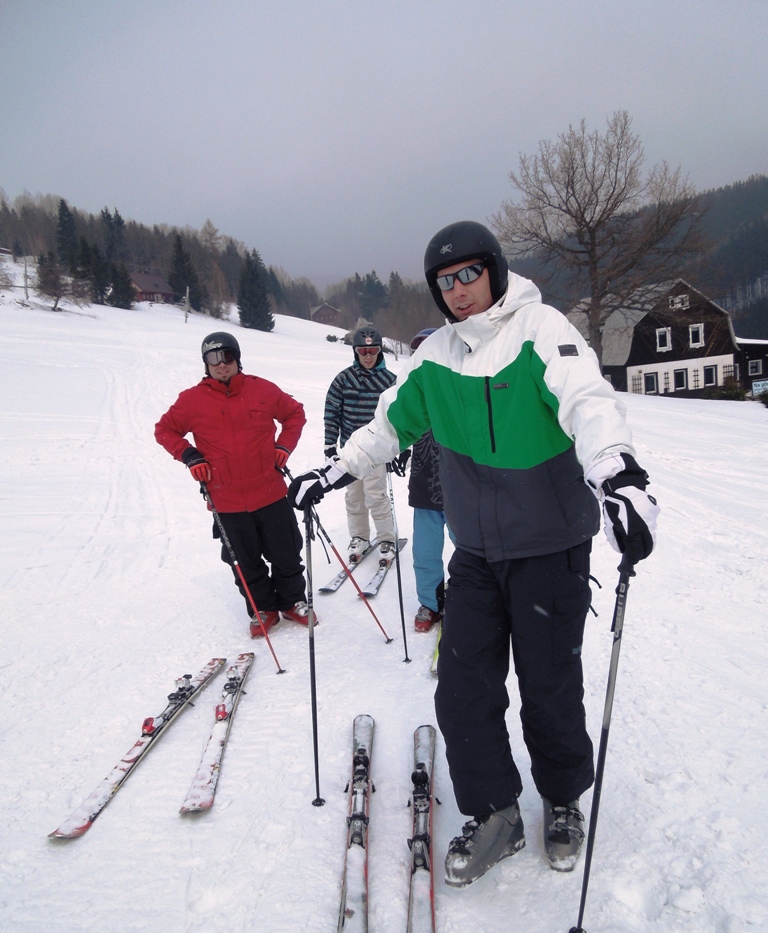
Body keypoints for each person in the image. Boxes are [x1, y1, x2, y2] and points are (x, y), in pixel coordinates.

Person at [288, 221, 658, 886]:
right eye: (445, 281)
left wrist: (618, 475)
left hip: (550, 547)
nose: (458, 290)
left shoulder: (540, 329)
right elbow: (389, 423)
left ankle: (563, 798)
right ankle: (495, 814)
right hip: (478, 554)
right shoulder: (436, 356)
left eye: (468, 274)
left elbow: (588, 401)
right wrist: (335, 471)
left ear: (493, 270)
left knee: (548, 686)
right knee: (462, 690)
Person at [155, 330, 313, 640]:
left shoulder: (262, 389)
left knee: (286, 552)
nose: (221, 364)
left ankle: (292, 601)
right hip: (226, 499)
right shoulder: (191, 400)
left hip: (269, 490)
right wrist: (190, 456)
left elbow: (294, 413)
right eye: (213, 358)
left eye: (227, 356)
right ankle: (262, 609)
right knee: (244, 561)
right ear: (205, 364)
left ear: (237, 359)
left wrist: (284, 446)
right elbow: (165, 430)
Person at [323, 325, 399, 567]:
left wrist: (401, 448)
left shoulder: (390, 381)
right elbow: (332, 412)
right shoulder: (344, 379)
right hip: (350, 452)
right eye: (363, 351)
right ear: (355, 352)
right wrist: (329, 445)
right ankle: (360, 537)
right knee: (354, 497)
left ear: (380, 351)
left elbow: (399, 416)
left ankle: (386, 539)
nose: (368, 356)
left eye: (373, 350)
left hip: (377, 451)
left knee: (376, 496)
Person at [408, 328, 450, 633]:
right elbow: (395, 426)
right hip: (424, 485)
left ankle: (474, 597)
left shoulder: (460, 384)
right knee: (425, 551)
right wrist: (397, 450)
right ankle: (431, 603)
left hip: (462, 487)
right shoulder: (410, 391)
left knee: (471, 549)